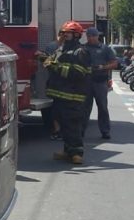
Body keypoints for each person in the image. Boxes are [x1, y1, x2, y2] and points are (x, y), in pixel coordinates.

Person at [44, 20, 92, 165]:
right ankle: (67, 151)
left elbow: (78, 73)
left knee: (72, 124)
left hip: (73, 95)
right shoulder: (61, 49)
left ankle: (77, 153)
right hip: (60, 94)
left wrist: (56, 67)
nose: (65, 36)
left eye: (68, 33)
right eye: (63, 33)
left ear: (76, 35)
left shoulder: (80, 52)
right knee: (62, 124)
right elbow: (52, 63)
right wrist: (44, 60)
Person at [82, 26, 116, 140]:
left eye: (92, 36)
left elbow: (114, 63)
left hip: (100, 82)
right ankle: (80, 131)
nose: (90, 38)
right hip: (86, 82)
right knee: (85, 108)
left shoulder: (105, 49)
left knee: (102, 107)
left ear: (97, 36)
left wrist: (103, 67)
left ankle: (105, 131)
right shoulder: (83, 49)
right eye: (88, 36)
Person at [35, 29, 64, 139]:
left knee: (56, 107)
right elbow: (49, 62)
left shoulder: (59, 48)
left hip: (58, 81)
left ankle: (56, 129)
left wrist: (42, 57)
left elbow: (49, 63)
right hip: (56, 81)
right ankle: (57, 129)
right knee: (56, 106)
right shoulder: (58, 47)